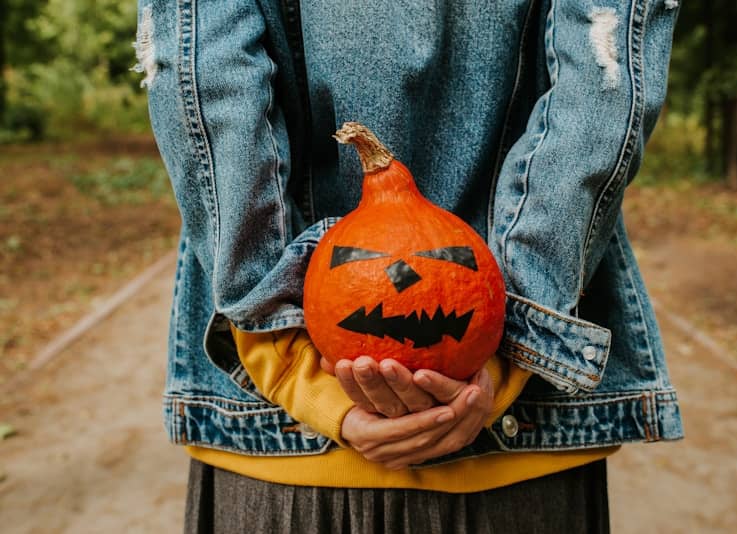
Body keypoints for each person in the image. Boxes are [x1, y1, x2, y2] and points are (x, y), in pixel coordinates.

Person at [136, 0, 683, 532]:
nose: (405, 277)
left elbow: (203, 75)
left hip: (282, 459)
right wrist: (516, 340)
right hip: (521, 453)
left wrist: (289, 359)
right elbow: (604, 70)